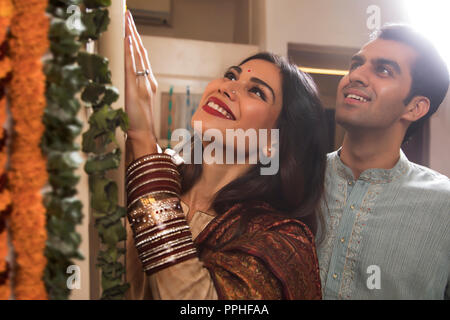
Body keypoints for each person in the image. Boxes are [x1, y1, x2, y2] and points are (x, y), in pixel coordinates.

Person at [123, 11, 327, 299]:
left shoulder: (282, 242)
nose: (228, 87)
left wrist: (143, 135)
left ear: (274, 143)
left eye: (256, 91)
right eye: (231, 75)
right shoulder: (160, 173)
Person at [317, 24, 450, 299]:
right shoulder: (298, 178)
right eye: (356, 64)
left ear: (415, 107)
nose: (356, 76)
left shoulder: (444, 207)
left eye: (384, 70)